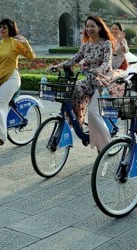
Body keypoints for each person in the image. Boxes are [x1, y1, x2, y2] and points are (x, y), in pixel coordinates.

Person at [50, 16, 116, 150]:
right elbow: (74, 59)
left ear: (99, 27)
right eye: (87, 26)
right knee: (75, 90)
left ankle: (105, 146)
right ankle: (78, 124)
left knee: (93, 113)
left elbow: (107, 62)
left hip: (102, 80)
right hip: (89, 80)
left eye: (92, 26)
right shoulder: (86, 45)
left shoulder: (106, 43)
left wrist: (98, 70)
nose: (89, 29)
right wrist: (58, 66)